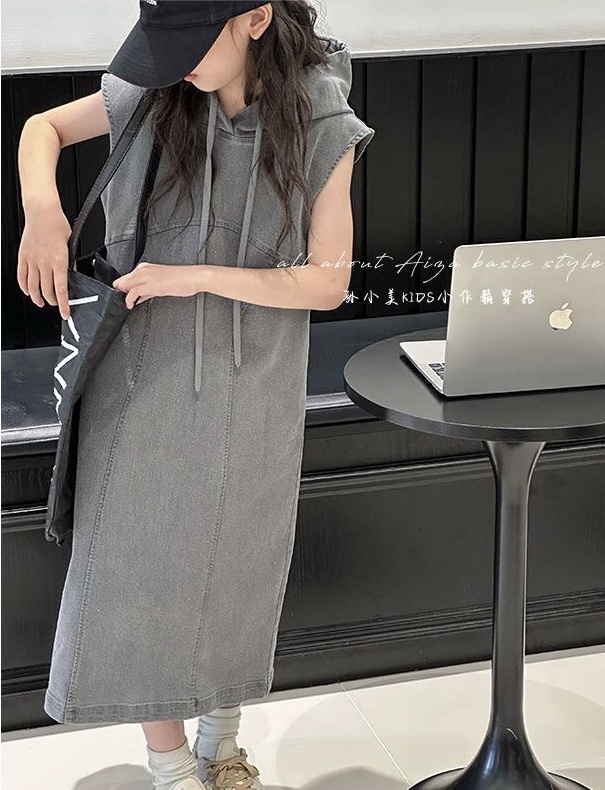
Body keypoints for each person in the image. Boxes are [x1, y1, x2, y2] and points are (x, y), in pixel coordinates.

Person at [16, 1, 375, 788]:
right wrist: (43, 212)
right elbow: (42, 128)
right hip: (140, 372)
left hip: (257, 378)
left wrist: (196, 276)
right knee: (139, 570)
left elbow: (328, 282)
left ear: (254, 18)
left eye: (188, 42)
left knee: (235, 568)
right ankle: (172, 764)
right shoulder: (154, 89)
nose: (173, 61)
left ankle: (222, 744)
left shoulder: (319, 112)